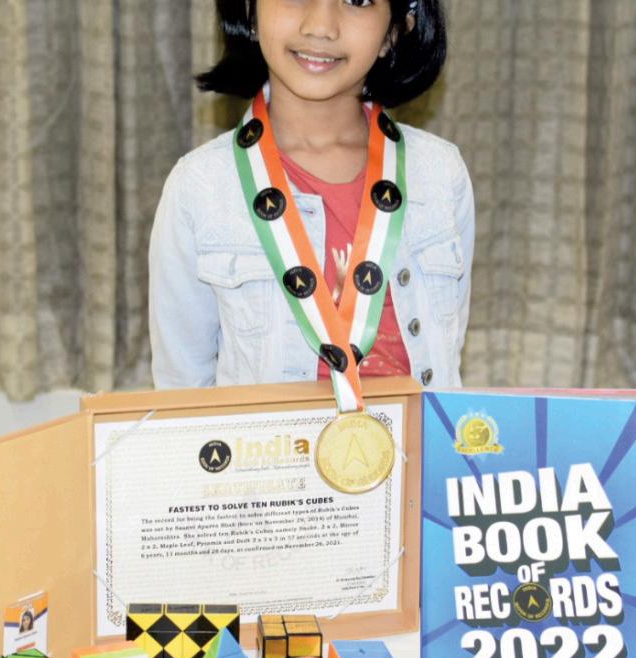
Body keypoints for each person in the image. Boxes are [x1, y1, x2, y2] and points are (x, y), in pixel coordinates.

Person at [149, 0, 473, 394]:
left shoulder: (442, 173)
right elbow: (182, 389)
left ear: (393, 31)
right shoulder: (198, 186)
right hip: (270, 436)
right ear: (251, 12)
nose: (321, 26)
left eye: (357, 1)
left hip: (418, 433)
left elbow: (448, 354)